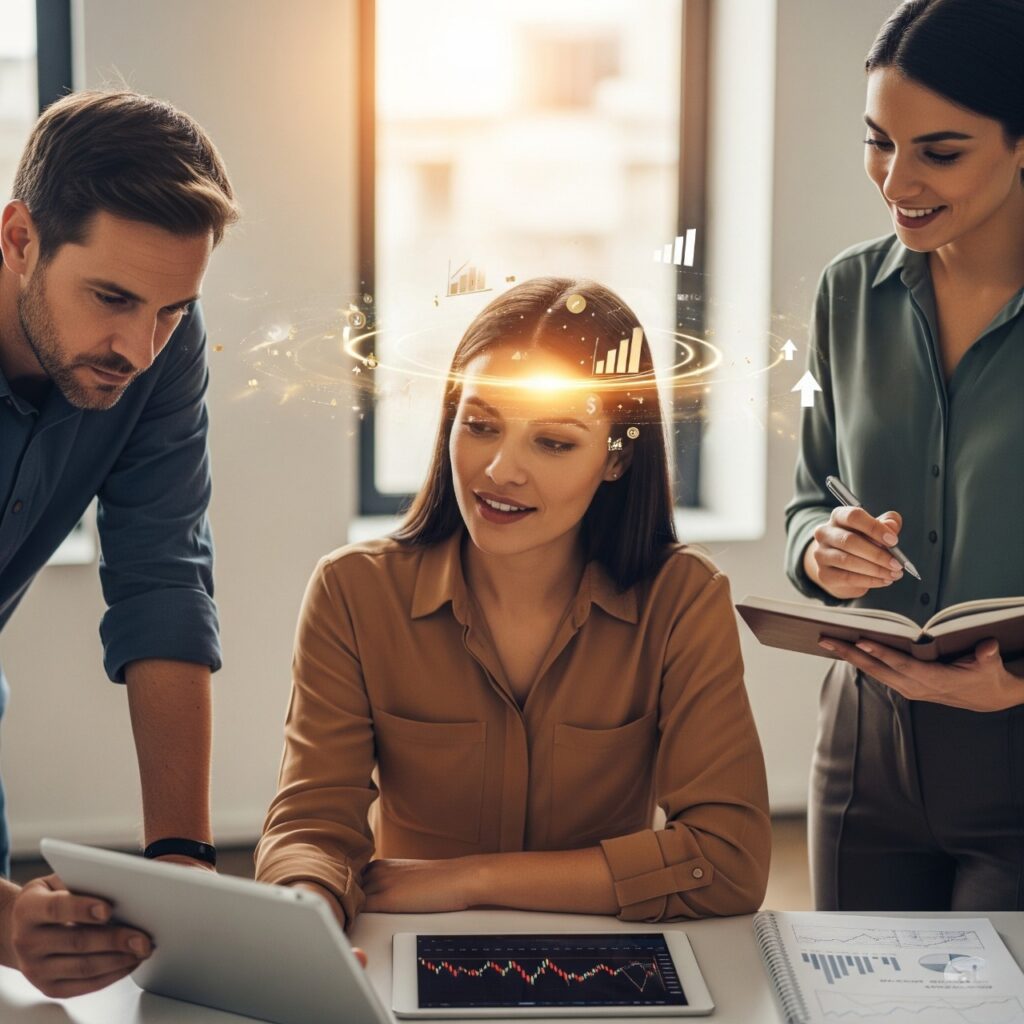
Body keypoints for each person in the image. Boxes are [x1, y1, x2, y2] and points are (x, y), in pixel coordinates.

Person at [256, 277, 770, 928]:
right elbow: (309, 827)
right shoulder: (353, 592)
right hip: (414, 941)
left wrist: (472, 880)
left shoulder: (683, 601)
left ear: (616, 458)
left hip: (600, 956)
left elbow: (729, 862)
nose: (500, 470)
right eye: (480, 426)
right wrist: (312, 913)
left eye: (553, 442)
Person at [785, 0, 1024, 912]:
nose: (896, 180)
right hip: (862, 754)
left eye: (940, 150)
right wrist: (821, 549)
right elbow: (810, 494)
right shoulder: (849, 291)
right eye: (879, 140)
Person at [0, 90, 238, 995]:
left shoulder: (158, 349)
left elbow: (163, 579)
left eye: (174, 308)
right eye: (112, 298)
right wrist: (5, 923)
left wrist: (181, 861)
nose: (140, 347)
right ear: (20, 238)